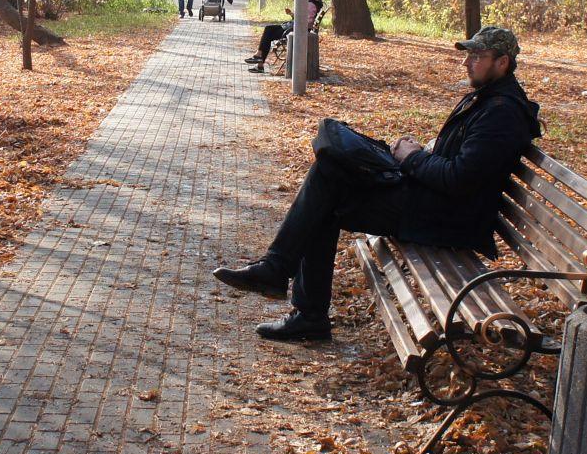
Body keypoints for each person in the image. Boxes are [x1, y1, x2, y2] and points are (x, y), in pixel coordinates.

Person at [212, 26, 541, 342]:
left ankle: (292, 291)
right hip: (436, 203)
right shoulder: (488, 99)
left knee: (328, 195)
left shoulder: (501, 113)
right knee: (330, 175)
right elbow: (460, 162)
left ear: (502, 62)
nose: (466, 62)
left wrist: (412, 157)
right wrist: (422, 151)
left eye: (477, 56)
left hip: (448, 219)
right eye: (468, 55)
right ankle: (291, 291)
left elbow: (459, 178)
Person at [246, 0, 323, 72]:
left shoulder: (310, 4)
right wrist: (291, 14)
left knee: (268, 32)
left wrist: (296, 20)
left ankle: (259, 60)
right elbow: (302, 18)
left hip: (295, 30)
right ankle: (259, 59)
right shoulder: (309, 1)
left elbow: (307, 22)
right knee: (268, 30)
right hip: (293, 28)